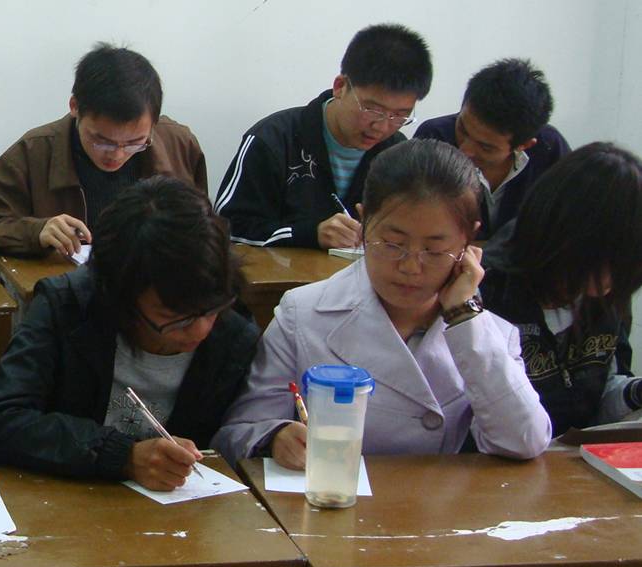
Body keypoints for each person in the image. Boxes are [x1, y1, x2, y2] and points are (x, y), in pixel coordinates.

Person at [213, 139, 550, 467]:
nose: (410, 266)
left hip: (434, 513)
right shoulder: (303, 312)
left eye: (434, 250)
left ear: (468, 239)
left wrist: (463, 313)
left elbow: (524, 441)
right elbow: (238, 433)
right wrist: (276, 436)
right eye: (391, 243)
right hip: (331, 505)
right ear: (363, 221)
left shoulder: (485, 330)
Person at [0, 177, 258, 490]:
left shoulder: (233, 334)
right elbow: (3, 420)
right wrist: (122, 456)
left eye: (211, 310)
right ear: (120, 296)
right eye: (175, 319)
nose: (201, 329)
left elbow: (239, 435)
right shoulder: (67, 308)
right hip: (68, 503)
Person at [0, 43, 208, 263]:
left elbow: (205, 230)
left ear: (153, 122)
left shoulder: (179, 145)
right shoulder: (33, 152)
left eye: (135, 143)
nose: (117, 155)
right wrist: (36, 232)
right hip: (65, 300)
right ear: (74, 106)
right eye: (102, 141)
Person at [217, 24, 432, 249]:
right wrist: (310, 234)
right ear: (340, 86)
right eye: (372, 110)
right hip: (281, 283)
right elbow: (226, 230)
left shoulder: (398, 153)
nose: (382, 126)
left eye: (400, 116)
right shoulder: (274, 140)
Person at [481, 143, 642, 434]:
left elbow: (597, 401)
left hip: (568, 467)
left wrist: (635, 392)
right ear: (565, 233)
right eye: (610, 257)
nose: (615, 277)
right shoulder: (488, 288)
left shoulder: (604, 294)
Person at [414, 58, 571, 240]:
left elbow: (566, 229)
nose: (465, 150)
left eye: (485, 146)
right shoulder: (434, 138)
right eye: (463, 129)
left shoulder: (550, 149)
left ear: (524, 145)